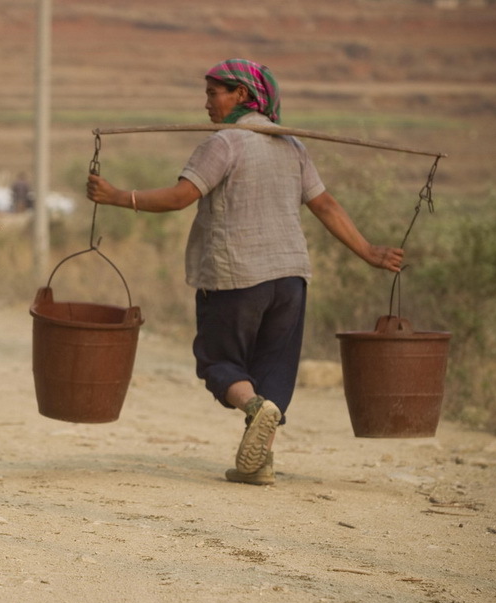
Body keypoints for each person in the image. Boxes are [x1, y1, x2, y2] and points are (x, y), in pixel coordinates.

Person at [86, 59, 403, 486]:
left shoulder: (226, 143)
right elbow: (325, 205)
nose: (206, 104)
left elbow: (181, 197)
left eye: (214, 93)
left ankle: (254, 410)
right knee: (274, 368)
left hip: (235, 277)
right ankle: (259, 463)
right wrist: (368, 251)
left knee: (219, 362)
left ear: (241, 96)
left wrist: (117, 196)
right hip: (290, 278)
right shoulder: (292, 145)